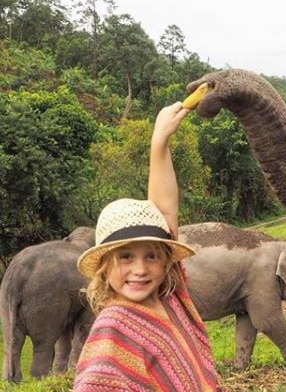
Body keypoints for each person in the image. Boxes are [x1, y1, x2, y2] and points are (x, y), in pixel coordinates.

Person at [73, 102, 224, 391]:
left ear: (166, 261)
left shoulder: (168, 296)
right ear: (104, 264)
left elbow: (166, 211)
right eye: (126, 256)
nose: (140, 270)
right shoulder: (114, 327)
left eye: (151, 256)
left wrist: (160, 142)